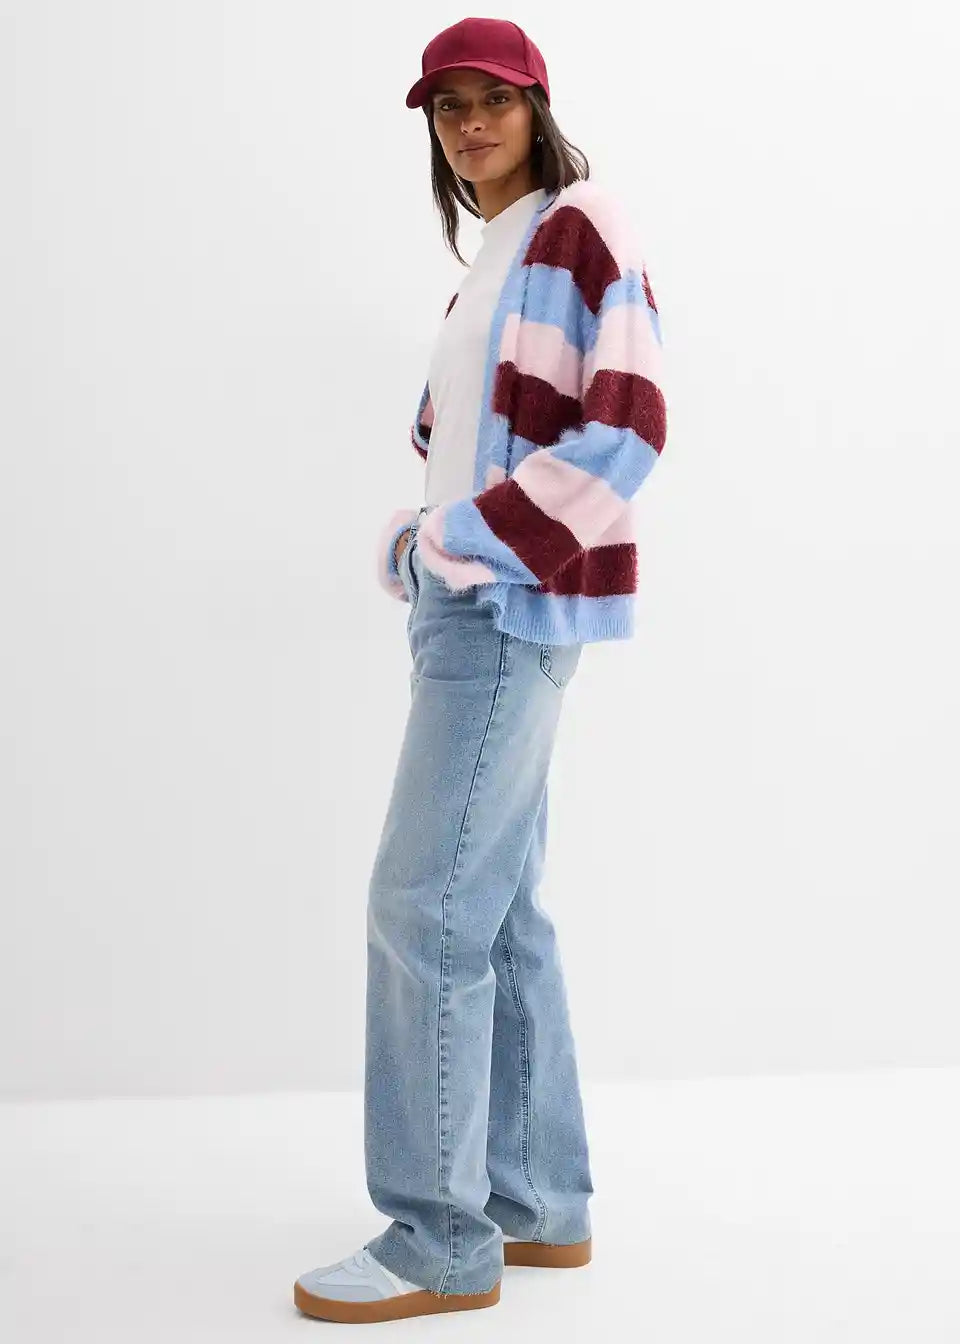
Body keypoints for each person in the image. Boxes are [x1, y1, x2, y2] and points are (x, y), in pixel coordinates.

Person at [294, 15, 667, 1326]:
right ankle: (536, 1204)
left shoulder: (580, 225)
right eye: (446, 108)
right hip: (468, 609)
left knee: (423, 908)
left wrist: (453, 545)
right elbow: (462, 440)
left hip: (504, 611)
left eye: (491, 100)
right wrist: (421, 544)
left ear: (538, 106)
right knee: (497, 912)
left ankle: (440, 1238)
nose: (468, 125)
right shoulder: (491, 262)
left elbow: (628, 429)